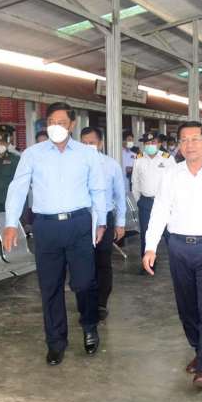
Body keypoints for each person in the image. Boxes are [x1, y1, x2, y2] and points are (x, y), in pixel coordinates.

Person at [2, 102, 107, 367]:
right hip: (46, 226)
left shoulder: (86, 154)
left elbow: (98, 189)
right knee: (50, 286)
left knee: (84, 283)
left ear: (72, 125)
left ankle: (89, 326)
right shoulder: (32, 154)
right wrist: (11, 223)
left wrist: (101, 222)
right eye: (51, 122)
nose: (55, 127)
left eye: (61, 122)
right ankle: (56, 342)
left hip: (79, 224)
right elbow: (18, 188)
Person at [142, 121, 202, 389]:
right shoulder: (171, 175)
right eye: (184, 140)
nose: (189, 145)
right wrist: (150, 246)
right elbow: (160, 211)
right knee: (186, 308)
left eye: (195, 139)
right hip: (179, 248)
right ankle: (200, 349)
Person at [80, 126, 126, 321]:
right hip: (81, 219)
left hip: (104, 219)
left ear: (100, 144)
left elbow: (120, 195)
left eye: (91, 143)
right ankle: (85, 303)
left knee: (102, 262)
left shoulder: (111, 165)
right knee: (82, 264)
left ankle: (100, 303)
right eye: (84, 143)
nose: (88, 146)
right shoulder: (75, 164)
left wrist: (120, 223)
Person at [131, 132, 176, 271]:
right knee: (146, 234)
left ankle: (177, 263)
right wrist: (139, 200)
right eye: (147, 143)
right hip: (146, 202)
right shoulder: (139, 159)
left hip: (165, 202)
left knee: (170, 233)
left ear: (159, 143)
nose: (150, 145)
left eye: (153, 142)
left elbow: (174, 181)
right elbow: (135, 182)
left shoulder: (167, 159)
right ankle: (148, 265)